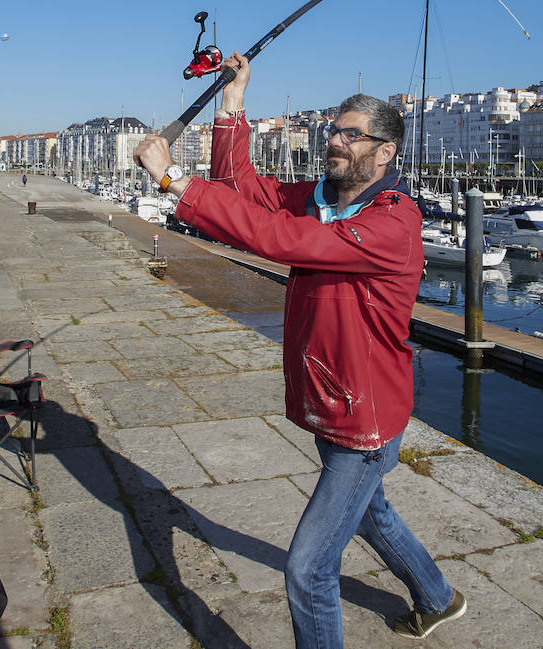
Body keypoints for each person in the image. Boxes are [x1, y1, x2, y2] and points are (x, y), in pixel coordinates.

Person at [134, 52, 465, 647]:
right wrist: (233, 103)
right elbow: (245, 192)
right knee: (371, 512)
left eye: (350, 134)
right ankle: (438, 598)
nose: (334, 140)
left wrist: (172, 182)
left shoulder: (392, 224)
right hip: (328, 394)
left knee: (309, 568)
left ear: (385, 152)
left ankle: (429, 598)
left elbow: (279, 237)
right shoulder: (324, 199)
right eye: (333, 130)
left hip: (364, 415)